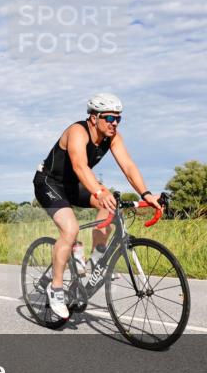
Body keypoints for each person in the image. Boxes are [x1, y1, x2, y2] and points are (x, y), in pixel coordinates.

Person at [32, 93, 162, 319]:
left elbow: (128, 166)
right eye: (109, 118)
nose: (114, 124)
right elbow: (80, 166)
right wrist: (99, 191)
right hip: (49, 183)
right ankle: (55, 288)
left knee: (112, 206)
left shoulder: (113, 138)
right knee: (70, 229)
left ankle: (95, 259)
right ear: (94, 117)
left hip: (74, 185)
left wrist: (147, 194)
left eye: (118, 119)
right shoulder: (77, 132)